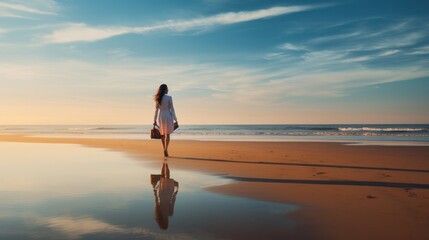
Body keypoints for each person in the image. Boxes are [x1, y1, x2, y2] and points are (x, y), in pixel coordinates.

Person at [151, 162, 179, 230]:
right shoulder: (159, 214)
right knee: (164, 177)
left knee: (167, 177)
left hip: (167, 194)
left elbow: (172, 201)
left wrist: (176, 191)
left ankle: (165, 163)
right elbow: (157, 201)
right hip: (162, 194)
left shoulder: (169, 213)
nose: (168, 222)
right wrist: (154, 192)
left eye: (167, 223)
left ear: (165, 222)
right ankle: (165, 163)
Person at [153, 84, 178, 157]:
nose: (168, 90)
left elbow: (156, 111)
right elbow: (172, 109)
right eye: (167, 89)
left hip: (161, 116)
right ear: (165, 89)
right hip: (168, 116)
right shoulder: (169, 98)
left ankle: (164, 148)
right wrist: (175, 119)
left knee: (162, 134)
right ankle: (166, 149)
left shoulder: (158, 98)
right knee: (168, 134)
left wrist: (154, 120)